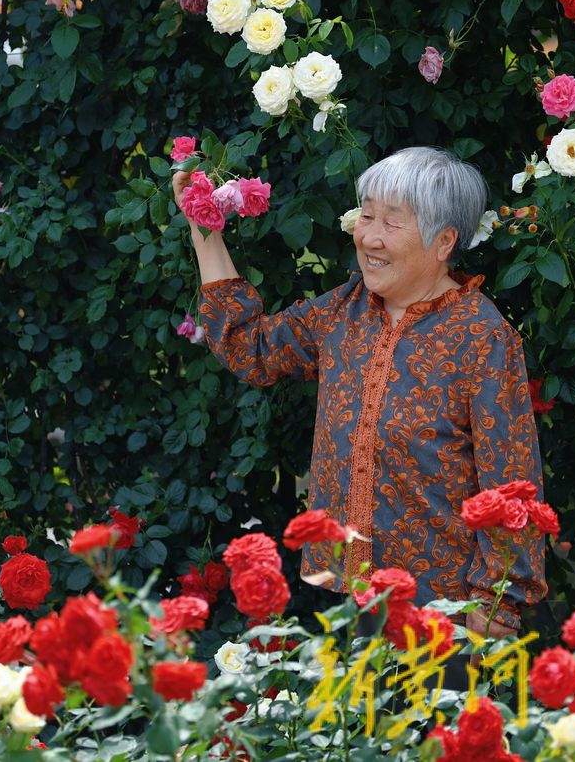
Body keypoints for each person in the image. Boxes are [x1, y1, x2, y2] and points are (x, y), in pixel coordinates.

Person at [177, 146, 547, 645]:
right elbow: (252, 349)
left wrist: (495, 602)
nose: (369, 236)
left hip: (446, 611)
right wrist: (206, 230)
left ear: (444, 242)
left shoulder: (482, 337)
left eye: (391, 223)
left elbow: (512, 480)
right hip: (352, 595)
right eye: (367, 215)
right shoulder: (348, 309)